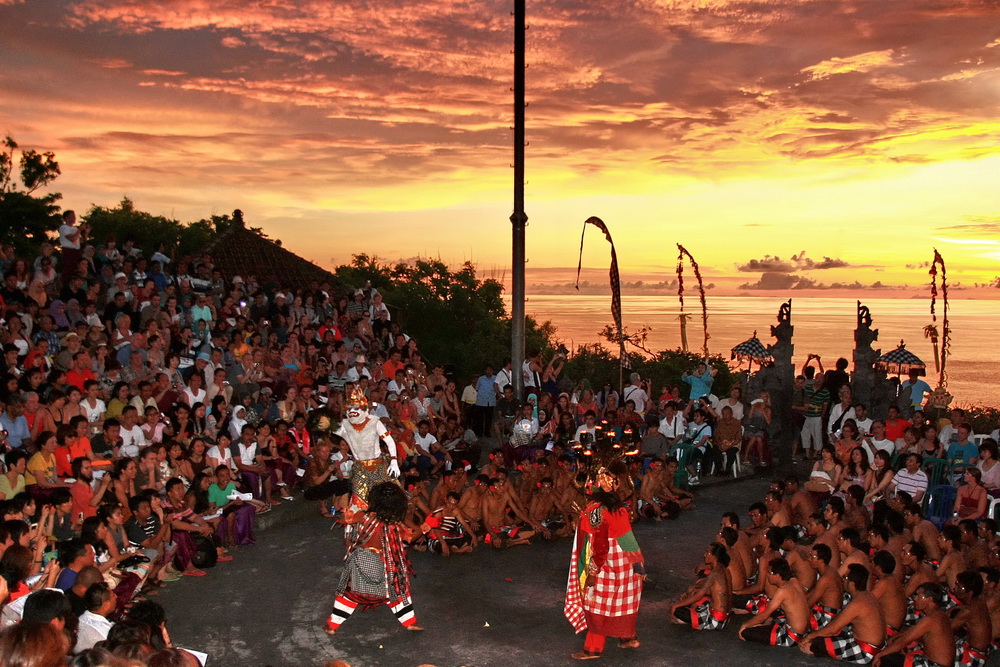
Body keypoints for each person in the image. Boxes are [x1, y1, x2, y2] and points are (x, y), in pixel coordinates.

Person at [564, 464, 645, 660]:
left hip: (610, 562)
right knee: (623, 602)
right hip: (631, 560)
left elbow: (599, 547)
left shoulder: (596, 511)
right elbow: (626, 538)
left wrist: (592, 572)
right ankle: (627, 638)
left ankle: (593, 649)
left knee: (598, 604)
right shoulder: (617, 507)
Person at [325, 482, 423, 635]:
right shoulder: (393, 526)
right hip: (385, 564)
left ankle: (332, 626)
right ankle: (409, 623)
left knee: (350, 595)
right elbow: (410, 537)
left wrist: (346, 517)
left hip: (362, 561)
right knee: (395, 591)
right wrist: (425, 527)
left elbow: (345, 521)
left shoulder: (365, 517)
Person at [799, 564, 886, 664]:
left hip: (866, 652)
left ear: (852, 584)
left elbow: (832, 630)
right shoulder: (869, 596)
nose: (843, 580)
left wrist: (809, 637)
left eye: (845, 578)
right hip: (875, 645)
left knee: (817, 643)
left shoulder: (857, 604)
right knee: (829, 632)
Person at [873, 583, 954, 667]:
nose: (915, 599)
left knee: (886, 657)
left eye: (919, 596)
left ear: (929, 599)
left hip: (933, 665)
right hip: (936, 663)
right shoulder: (940, 615)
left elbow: (904, 642)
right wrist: (895, 637)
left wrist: (879, 655)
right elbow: (913, 631)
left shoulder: (930, 619)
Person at [738, 557, 811, 647]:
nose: (767, 575)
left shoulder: (783, 591)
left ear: (778, 575)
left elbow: (764, 616)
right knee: (774, 614)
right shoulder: (794, 581)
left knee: (746, 632)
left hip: (792, 636)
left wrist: (745, 625)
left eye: (769, 573)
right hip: (805, 630)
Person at [670, 542, 732, 630]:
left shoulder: (714, 574)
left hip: (715, 621)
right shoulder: (725, 570)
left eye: (707, 552)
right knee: (696, 600)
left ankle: (691, 621)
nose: (704, 555)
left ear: (714, 556)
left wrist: (675, 606)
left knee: (677, 610)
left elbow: (698, 596)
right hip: (725, 617)